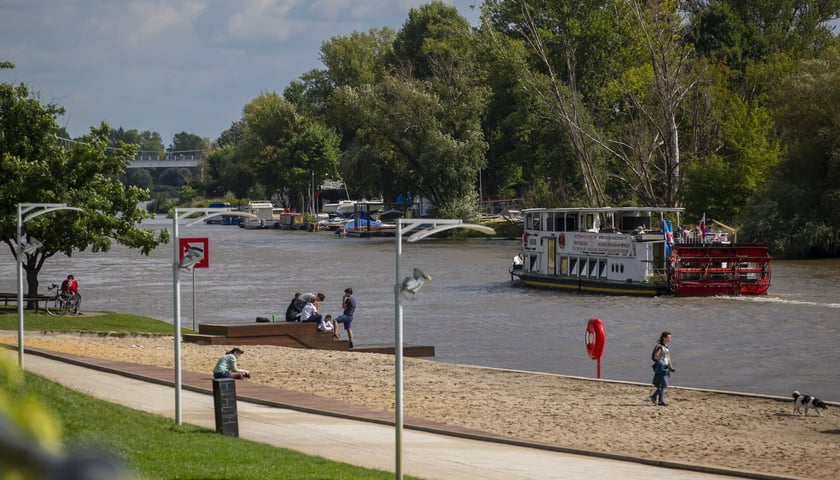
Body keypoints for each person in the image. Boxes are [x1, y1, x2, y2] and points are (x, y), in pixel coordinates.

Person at [649, 331, 675, 406]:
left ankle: (658, 399)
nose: (670, 339)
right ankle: (657, 398)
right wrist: (661, 354)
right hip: (661, 367)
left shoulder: (666, 347)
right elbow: (655, 357)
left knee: (662, 385)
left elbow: (668, 358)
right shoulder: (660, 347)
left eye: (670, 337)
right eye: (669, 337)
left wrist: (671, 367)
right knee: (664, 384)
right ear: (664, 337)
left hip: (666, 367)